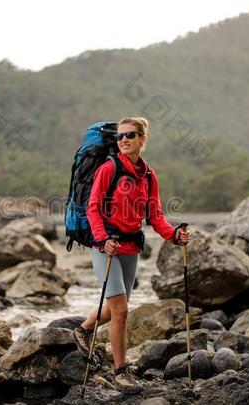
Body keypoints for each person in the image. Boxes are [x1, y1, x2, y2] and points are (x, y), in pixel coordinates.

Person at [73, 116, 191, 393]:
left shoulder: (149, 175)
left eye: (130, 135)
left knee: (117, 307)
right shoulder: (108, 168)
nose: (123, 140)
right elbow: (93, 208)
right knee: (122, 311)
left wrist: (174, 235)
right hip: (107, 247)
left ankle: (83, 329)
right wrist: (102, 240)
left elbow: (156, 215)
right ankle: (120, 371)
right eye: (120, 136)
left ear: (142, 139)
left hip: (131, 248)